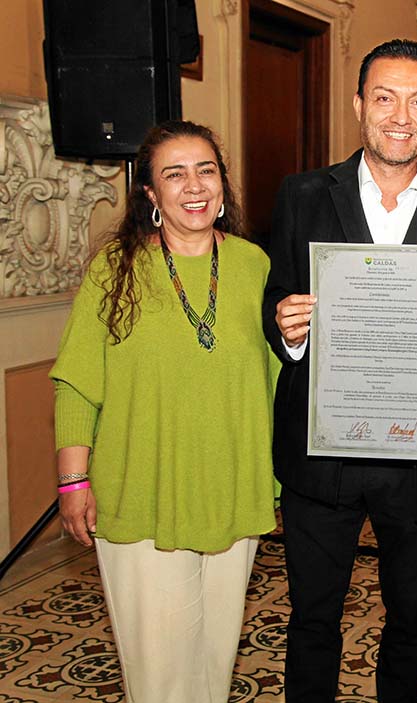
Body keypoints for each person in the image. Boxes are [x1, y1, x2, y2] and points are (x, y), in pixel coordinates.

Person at [262, 39, 417, 703]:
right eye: (385, 97)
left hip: (414, 459)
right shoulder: (302, 195)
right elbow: (273, 305)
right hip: (320, 456)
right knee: (311, 621)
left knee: (412, 623)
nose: (400, 115)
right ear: (359, 104)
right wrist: (287, 327)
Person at [50, 120, 279, 703]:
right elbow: (78, 383)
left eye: (206, 170)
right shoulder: (115, 269)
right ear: (150, 195)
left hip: (233, 487)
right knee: (162, 682)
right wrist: (74, 478)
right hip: (141, 491)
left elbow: (281, 376)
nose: (194, 185)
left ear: (223, 184)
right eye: (173, 174)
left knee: (214, 667)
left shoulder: (257, 267)